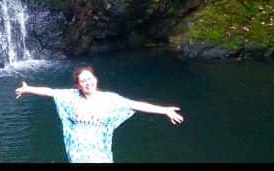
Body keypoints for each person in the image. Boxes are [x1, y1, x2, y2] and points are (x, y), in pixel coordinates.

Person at [15, 65, 183, 163]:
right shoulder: (70, 96)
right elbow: (50, 92)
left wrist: (164, 110)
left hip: (99, 154)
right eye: (83, 81)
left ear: (95, 79)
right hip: (77, 154)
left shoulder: (110, 100)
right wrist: (29, 89)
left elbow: (136, 105)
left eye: (90, 79)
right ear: (78, 85)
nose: (88, 83)